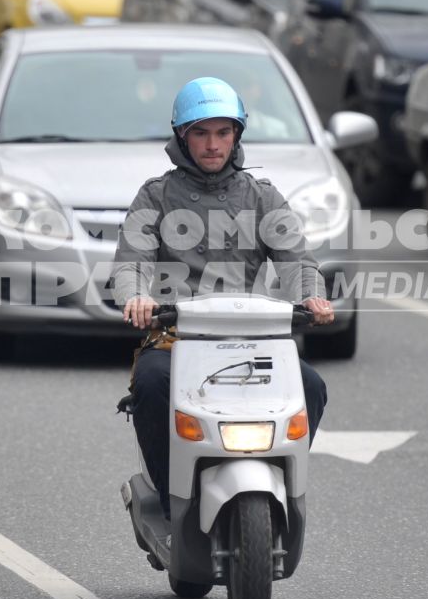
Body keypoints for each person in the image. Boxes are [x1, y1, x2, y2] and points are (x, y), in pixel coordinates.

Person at [109, 77, 334, 518]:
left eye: (223, 132)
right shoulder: (155, 195)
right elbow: (130, 260)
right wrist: (135, 296)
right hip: (177, 339)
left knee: (312, 386)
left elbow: (297, 262)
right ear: (181, 136)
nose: (213, 145)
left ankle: (280, 481)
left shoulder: (262, 196)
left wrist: (312, 298)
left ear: (237, 136)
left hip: (253, 340)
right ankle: (172, 496)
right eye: (201, 133)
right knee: (151, 384)